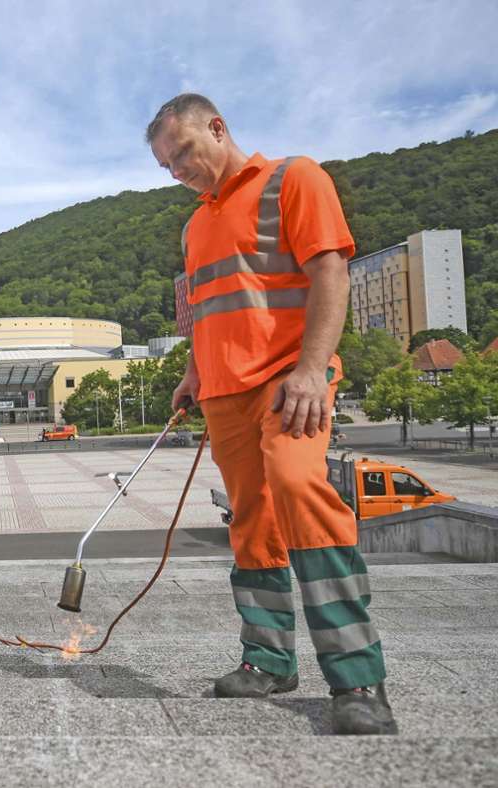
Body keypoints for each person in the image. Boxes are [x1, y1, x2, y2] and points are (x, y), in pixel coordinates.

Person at [147, 93, 395, 734]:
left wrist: (313, 368)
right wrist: (193, 373)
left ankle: (358, 677)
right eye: (167, 166)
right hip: (223, 394)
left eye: (183, 153)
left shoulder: (295, 178)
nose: (178, 171)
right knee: (251, 519)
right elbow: (203, 308)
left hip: (289, 382)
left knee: (298, 490)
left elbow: (331, 275)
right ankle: (267, 661)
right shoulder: (195, 225)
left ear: (218, 128)